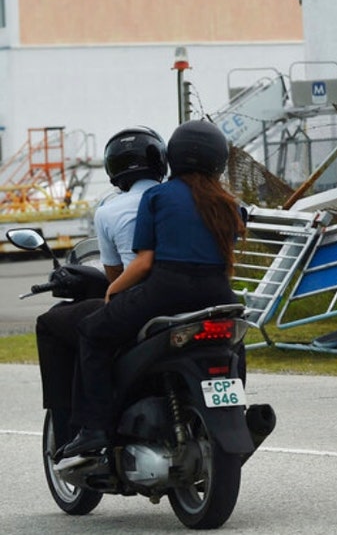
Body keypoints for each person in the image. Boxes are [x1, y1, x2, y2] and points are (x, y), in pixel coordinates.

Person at [59, 120, 245, 458]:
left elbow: (144, 263)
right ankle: (236, 409)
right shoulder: (230, 204)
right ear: (219, 160)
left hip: (167, 289)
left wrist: (113, 290)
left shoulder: (159, 196)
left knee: (92, 332)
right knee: (232, 345)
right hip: (219, 292)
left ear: (172, 157)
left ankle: (95, 429)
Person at [35, 126, 167, 447]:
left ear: (114, 168)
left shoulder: (110, 210)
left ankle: (80, 428)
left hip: (142, 301)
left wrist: (112, 289)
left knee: (55, 325)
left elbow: (117, 274)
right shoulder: (182, 198)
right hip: (203, 296)